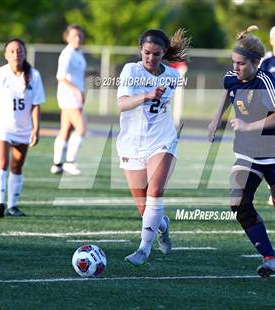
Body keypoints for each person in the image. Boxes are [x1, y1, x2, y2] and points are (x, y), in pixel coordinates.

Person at [208, 26, 275, 278]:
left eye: (241, 64)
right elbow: (227, 91)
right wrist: (215, 119)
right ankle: (271, 258)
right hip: (248, 154)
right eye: (234, 62)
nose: (236, 68)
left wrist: (248, 126)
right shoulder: (233, 76)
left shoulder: (265, 81)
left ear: (256, 63)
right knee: (237, 201)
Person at [116, 28, 190, 266]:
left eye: (156, 54)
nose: (150, 58)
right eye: (147, 53)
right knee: (145, 208)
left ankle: (143, 250)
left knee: (155, 192)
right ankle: (163, 226)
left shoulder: (172, 76)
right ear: (140, 51)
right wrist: (146, 95)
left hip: (162, 139)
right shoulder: (131, 70)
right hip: (132, 143)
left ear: (163, 54)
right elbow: (122, 104)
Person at [0, 38, 45, 217]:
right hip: (2, 127)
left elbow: (36, 104)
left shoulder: (34, 75)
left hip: (23, 128)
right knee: (2, 162)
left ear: (24, 53)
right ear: (6, 55)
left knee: (17, 166)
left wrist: (36, 129)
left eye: (19, 50)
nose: (16, 54)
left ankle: (12, 206)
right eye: (12, 51)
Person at [50, 24, 87, 176]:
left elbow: (76, 74)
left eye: (79, 35)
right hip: (69, 97)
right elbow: (61, 77)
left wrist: (90, 73)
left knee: (65, 130)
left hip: (72, 97)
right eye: (73, 36)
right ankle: (70, 162)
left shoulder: (78, 53)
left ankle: (57, 164)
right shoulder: (67, 53)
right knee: (81, 128)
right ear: (67, 38)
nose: (77, 38)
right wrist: (76, 90)